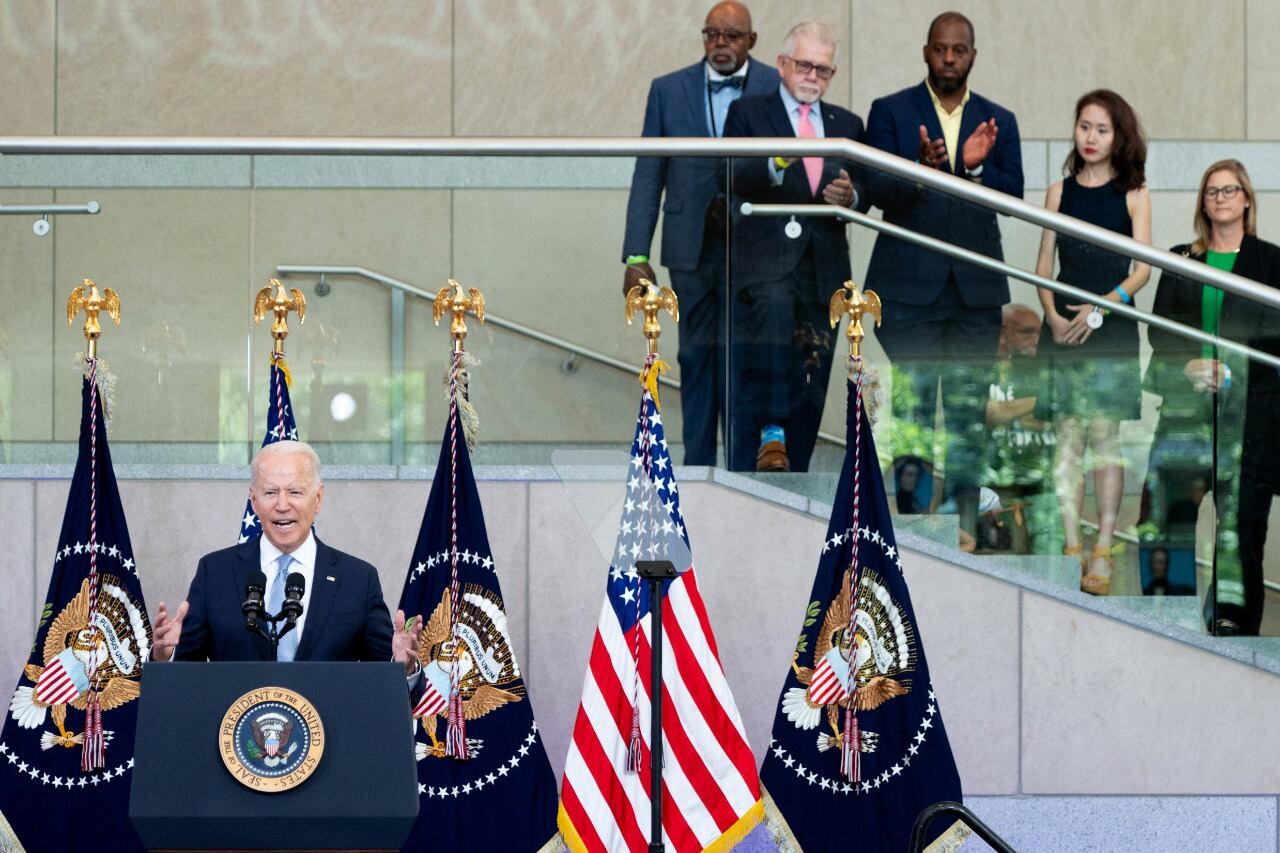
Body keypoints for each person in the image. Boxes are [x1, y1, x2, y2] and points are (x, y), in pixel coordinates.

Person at [863, 11, 1023, 539]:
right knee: (912, 408)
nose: (949, 58)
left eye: (959, 50)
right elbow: (877, 190)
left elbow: (1013, 196)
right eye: (940, 48)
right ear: (926, 51)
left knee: (966, 412)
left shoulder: (999, 119)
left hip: (975, 291)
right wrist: (922, 171)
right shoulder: (889, 112)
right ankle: (908, 524)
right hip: (907, 290)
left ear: (973, 55)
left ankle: (965, 525)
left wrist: (973, 168)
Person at [621, 1, 780, 466]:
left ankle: (743, 469)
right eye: (711, 34)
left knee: (748, 357)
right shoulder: (668, 90)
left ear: (752, 41)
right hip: (689, 245)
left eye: (731, 36)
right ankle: (698, 468)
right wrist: (635, 255)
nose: (720, 44)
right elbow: (648, 174)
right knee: (695, 355)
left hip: (756, 248)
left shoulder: (775, 85)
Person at [1140, 159, 1280, 634]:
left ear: (1246, 199)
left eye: (1229, 189)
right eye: (1211, 191)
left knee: (1240, 532)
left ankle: (1231, 627)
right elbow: (1161, 336)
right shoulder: (1182, 261)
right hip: (1186, 411)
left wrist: (1235, 371)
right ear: (1203, 202)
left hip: (1249, 420)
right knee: (1163, 517)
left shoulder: (1273, 264)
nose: (1220, 198)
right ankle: (1166, 615)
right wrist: (1186, 366)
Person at [723, 20, 867, 472]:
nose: (813, 77)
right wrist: (776, 159)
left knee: (814, 368)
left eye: (823, 70)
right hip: (766, 265)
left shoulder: (846, 124)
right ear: (783, 64)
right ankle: (769, 437)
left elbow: (868, 187)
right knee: (768, 350)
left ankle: (796, 466)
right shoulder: (749, 112)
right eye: (804, 65)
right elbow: (727, 177)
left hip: (823, 266)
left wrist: (852, 196)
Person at [152, 440, 421, 668]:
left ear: (318, 498)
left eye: (295, 492)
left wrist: (401, 664)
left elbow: (385, 684)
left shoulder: (358, 580)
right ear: (254, 500)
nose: (282, 505)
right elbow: (183, 678)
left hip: (329, 730)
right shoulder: (215, 573)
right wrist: (165, 655)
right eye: (270, 492)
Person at [1035, 89, 1151, 596]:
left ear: (1117, 135)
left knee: (1104, 436)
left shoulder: (1134, 192)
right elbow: (1042, 267)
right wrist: (1053, 318)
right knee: (1067, 439)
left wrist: (1100, 307)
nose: (1091, 137)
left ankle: (1103, 547)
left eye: (1102, 129)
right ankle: (1070, 547)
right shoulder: (1059, 190)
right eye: (1084, 126)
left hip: (1111, 324)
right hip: (1062, 323)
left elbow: (1144, 269)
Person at [985, 303, 1057, 554]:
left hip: (1043, 483)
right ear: (1004, 332)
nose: (1036, 340)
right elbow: (991, 414)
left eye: (1039, 333)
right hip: (999, 484)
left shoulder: (1040, 369)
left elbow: (1058, 416)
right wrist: (1039, 403)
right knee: (1012, 561)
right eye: (1028, 332)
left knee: (1051, 560)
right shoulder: (985, 366)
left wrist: (1010, 411)